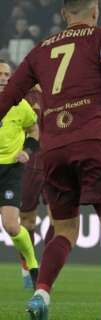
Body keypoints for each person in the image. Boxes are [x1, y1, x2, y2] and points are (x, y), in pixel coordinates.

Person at [0, 1, 101, 319]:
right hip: (94, 140)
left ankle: (42, 294)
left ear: (65, 15)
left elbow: (9, 94)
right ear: (94, 11)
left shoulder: (40, 50)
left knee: (64, 229)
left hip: (54, 150)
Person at [0, 58, 40, 290]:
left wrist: (27, 150)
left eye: (7, 75)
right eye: (1, 74)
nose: (4, 78)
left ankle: (31, 263)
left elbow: (34, 128)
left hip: (11, 170)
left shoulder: (20, 104)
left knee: (12, 226)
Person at [18, 85, 55, 290]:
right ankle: (28, 266)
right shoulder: (21, 92)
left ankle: (46, 269)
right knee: (27, 221)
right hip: (29, 163)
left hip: (53, 160)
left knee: (58, 219)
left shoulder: (58, 90)